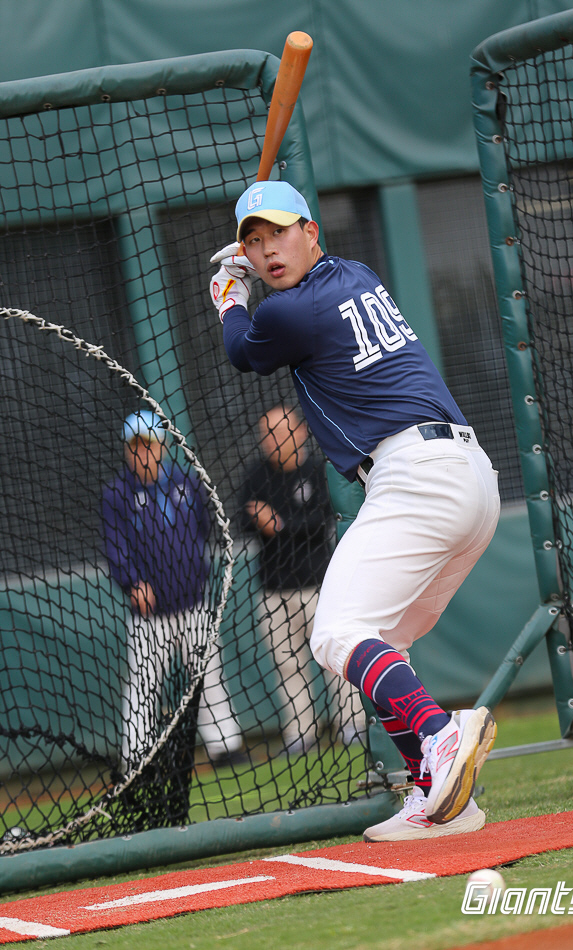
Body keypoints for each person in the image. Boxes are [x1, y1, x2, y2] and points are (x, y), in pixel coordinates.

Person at [209, 180, 500, 841]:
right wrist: (252, 277)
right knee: (380, 643)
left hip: (415, 478)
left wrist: (229, 297)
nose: (268, 249)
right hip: (468, 478)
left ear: (311, 231)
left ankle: (439, 735)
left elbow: (241, 352)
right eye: (254, 241)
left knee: (335, 635)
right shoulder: (357, 273)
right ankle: (438, 800)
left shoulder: (287, 313)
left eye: (279, 232)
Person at [101, 409, 243, 770]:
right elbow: (115, 546)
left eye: (147, 446)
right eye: (134, 447)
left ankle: (224, 746)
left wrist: (198, 571)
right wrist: (133, 581)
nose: (141, 454)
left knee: (208, 675)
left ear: (162, 447)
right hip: (150, 614)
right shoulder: (117, 494)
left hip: (193, 601)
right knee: (143, 684)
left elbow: (203, 526)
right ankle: (137, 757)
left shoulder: (186, 481)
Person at [242, 404, 364, 752]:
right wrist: (267, 522)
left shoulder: (319, 469)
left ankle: (352, 725)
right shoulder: (255, 475)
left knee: (335, 659)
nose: (273, 440)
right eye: (267, 434)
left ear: (299, 432)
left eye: (280, 432)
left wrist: (278, 524)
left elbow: (322, 520)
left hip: (319, 585)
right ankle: (301, 733)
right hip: (273, 589)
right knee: (287, 664)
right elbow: (244, 519)